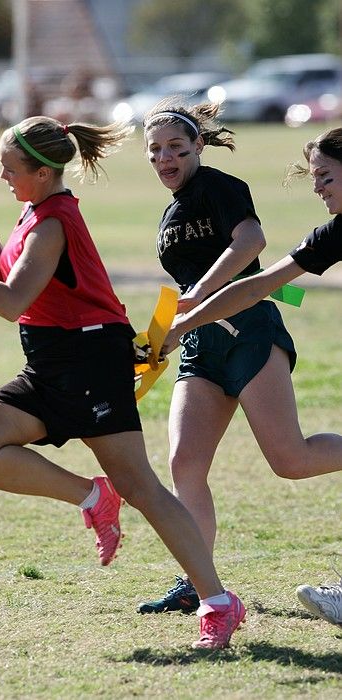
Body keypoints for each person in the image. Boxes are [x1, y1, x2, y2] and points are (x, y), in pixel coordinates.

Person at [0, 115, 245, 649]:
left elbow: (12, 302)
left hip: (90, 360)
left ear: (40, 172)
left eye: (9, 168)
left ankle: (218, 602)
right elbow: (24, 295)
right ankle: (91, 497)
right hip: (48, 361)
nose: (3, 177)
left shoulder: (52, 222)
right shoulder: (32, 212)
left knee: (143, 488)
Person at [136, 100, 342, 616]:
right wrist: (161, 334)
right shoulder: (171, 212)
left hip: (248, 333)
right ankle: (197, 581)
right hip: (202, 343)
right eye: (155, 150)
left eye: (176, 148)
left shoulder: (220, 187)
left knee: (290, 459)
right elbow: (224, 288)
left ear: (198, 146)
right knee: (184, 461)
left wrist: (195, 300)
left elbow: (252, 244)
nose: (166, 158)